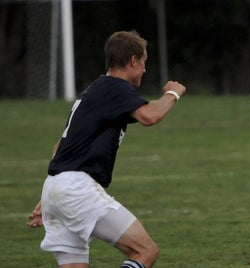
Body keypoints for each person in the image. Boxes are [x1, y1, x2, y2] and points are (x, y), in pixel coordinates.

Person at [26, 30, 186, 268]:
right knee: (145, 251)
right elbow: (150, 116)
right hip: (77, 189)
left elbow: (59, 146)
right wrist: (173, 93)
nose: (144, 69)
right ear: (133, 60)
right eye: (144, 62)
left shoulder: (95, 90)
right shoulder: (114, 88)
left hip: (56, 186)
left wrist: (49, 197)